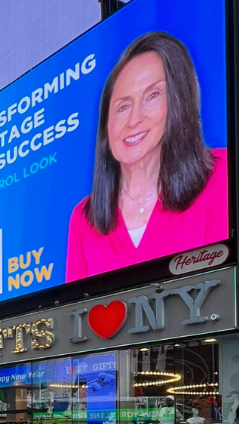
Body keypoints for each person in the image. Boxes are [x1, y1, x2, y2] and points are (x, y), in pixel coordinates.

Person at [67, 32, 228, 281]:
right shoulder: (84, 218)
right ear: (106, 127)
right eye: (123, 106)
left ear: (178, 101)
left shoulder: (222, 173)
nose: (134, 120)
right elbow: (73, 316)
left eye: (152, 95)